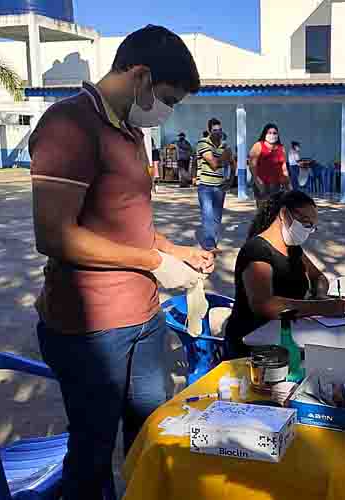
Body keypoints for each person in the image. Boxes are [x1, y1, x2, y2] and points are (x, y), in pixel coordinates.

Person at [28, 25, 214, 499]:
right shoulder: (67, 124)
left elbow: (127, 224)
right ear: (141, 76)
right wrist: (151, 259)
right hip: (91, 328)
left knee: (150, 439)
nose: (166, 111)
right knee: (92, 454)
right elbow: (55, 235)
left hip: (145, 318)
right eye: (167, 97)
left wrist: (176, 252)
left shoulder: (130, 132)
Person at [224, 190, 345, 359]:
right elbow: (264, 305)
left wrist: (320, 295)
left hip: (289, 336)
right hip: (255, 345)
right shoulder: (257, 251)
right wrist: (321, 308)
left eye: (312, 226)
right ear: (283, 214)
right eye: (305, 223)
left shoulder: (293, 249)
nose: (308, 230)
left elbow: (318, 277)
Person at [195, 118, 232, 250]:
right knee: (208, 215)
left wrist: (230, 181)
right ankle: (209, 244)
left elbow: (232, 164)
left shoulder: (224, 147)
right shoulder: (203, 143)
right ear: (210, 131)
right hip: (205, 186)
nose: (218, 132)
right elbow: (214, 164)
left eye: (220, 130)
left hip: (220, 187)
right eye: (215, 130)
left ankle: (213, 242)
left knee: (217, 217)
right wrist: (225, 155)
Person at [248, 123, 290, 209]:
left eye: (274, 133)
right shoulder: (258, 145)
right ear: (265, 134)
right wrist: (257, 181)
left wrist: (288, 184)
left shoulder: (281, 148)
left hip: (276, 185)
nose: (272, 135)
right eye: (269, 133)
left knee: (274, 210)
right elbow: (252, 165)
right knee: (262, 210)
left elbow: (283, 166)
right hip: (262, 184)